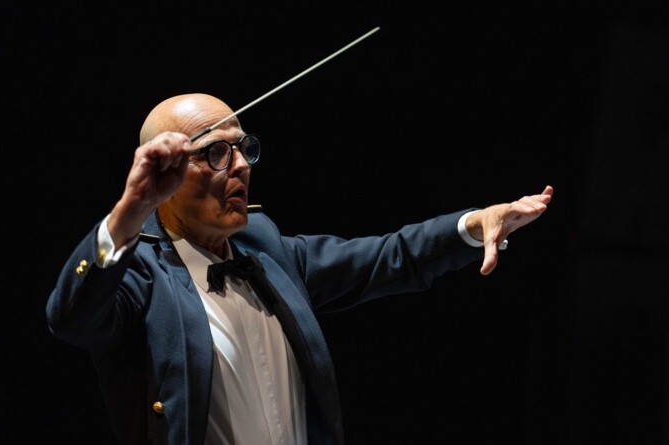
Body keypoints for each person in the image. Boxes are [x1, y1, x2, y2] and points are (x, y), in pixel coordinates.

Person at [46, 93, 554, 445]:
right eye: (216, 153)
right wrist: (129, 210)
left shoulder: (268, 253)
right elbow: (73, 318)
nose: (241, 164)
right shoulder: (140, 280)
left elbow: (389, 257)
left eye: (243, 148)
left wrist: (473, 223)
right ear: (164, 179)